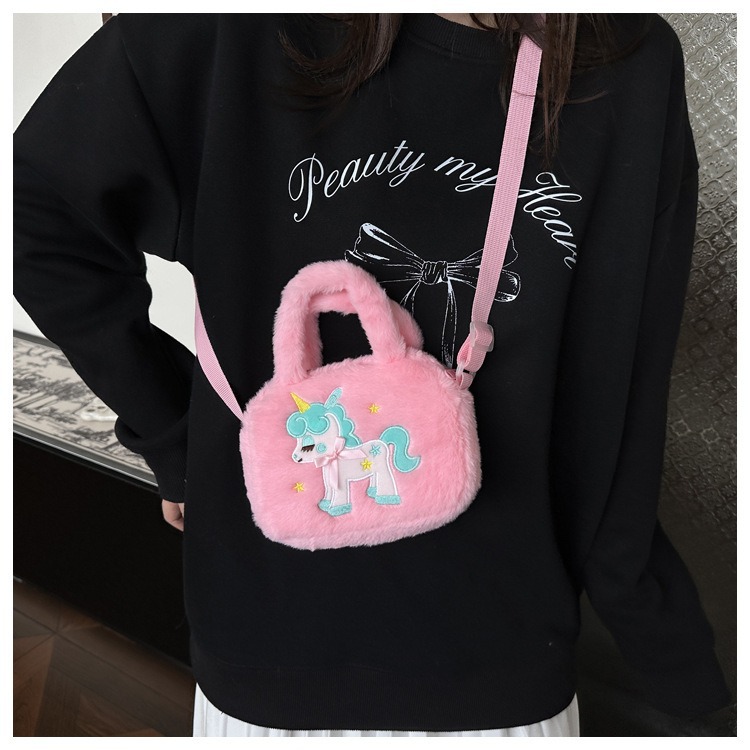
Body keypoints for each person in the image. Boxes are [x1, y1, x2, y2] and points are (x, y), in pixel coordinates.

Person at [14, 13, 730, 737]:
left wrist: (178, 442)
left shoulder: (625, 58)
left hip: (478, 655)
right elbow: (34, 220)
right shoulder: (221, 29)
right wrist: (176, 438)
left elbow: (623, 384)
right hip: (310, 646)